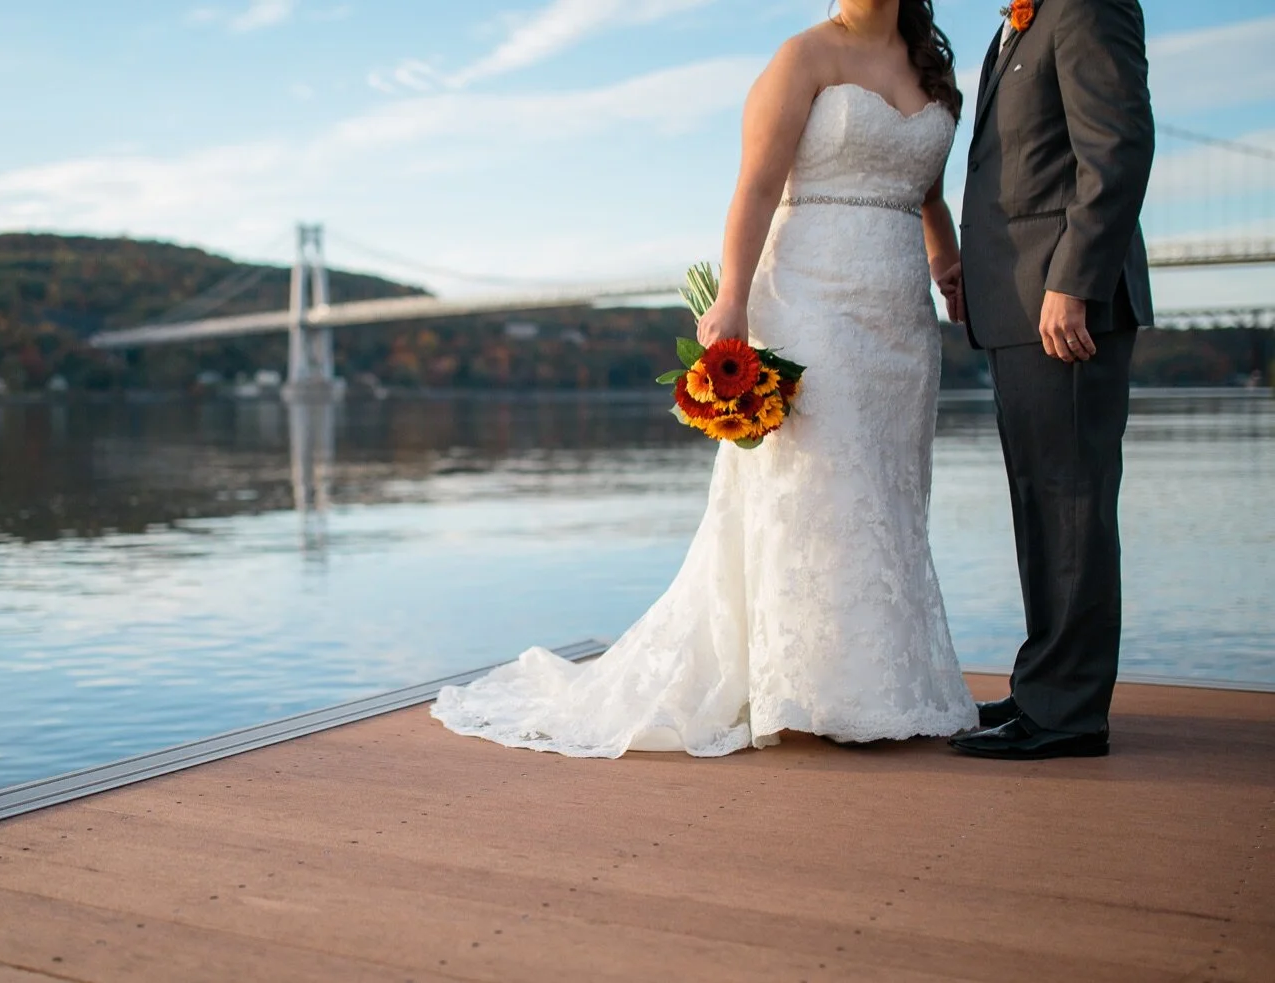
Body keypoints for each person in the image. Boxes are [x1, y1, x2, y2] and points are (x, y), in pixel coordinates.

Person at [432, 0, 978, 756]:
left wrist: (946, 264)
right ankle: (813, 688)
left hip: (899, 317)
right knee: (825, 485)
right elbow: (755, 187)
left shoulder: (931, 67)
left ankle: (884, 682)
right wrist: (730, 298)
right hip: (811, 299)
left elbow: (926, 195)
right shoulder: (805, 56)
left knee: (889, 488)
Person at [946, 0, 1153, 760]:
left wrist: (1074, 280)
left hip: (1064, 305)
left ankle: (1067, 711)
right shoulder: (1018, 27)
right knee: (1043, 506)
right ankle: (1046, 687)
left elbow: (1120, 145)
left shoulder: (1087, 5)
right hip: (1018, 305)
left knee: (1072, 507)